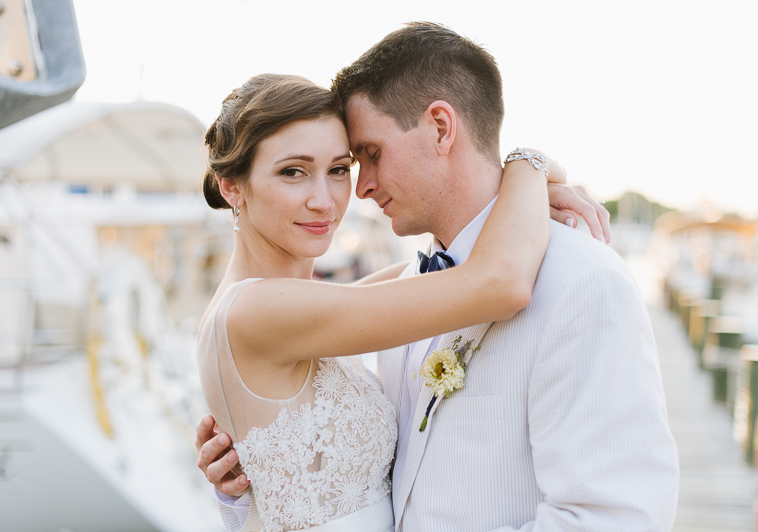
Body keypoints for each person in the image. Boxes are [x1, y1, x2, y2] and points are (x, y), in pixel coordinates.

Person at [198, 22, 680, 532]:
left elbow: (613, 518)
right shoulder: (280, 309)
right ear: (233, 187)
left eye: (359, 159)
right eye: (294, 171)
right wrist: (530, 166)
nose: (351, 191)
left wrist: (258, 486)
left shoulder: (581, 282)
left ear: (441, 128)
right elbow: (495, 283)